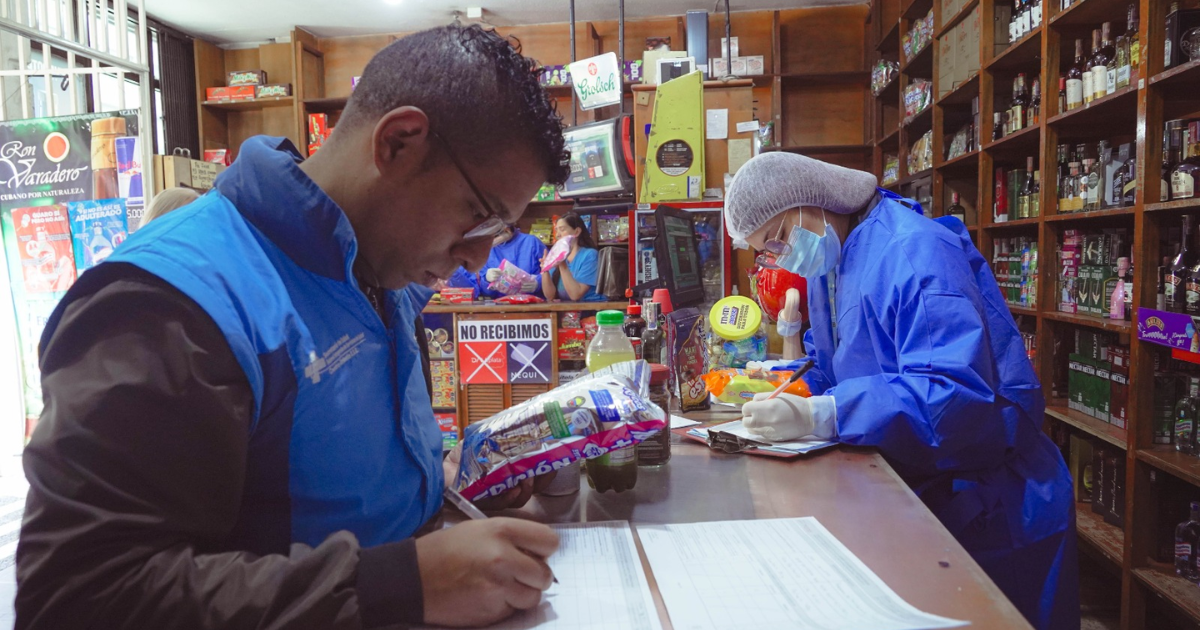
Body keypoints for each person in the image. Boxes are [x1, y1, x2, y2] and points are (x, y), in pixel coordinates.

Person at [17, 25, 570, 630]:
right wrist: (403, 583)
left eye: (498, 231)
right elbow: (78, 597)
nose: (478, 258)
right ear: (398, 143)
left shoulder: (380, 269)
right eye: (479, 216)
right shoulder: (165, 304)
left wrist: (442, 483)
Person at [724, 152, 1079, 630]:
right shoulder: (833, 263)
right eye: (766, 251)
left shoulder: (913, 250)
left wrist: (822, 414)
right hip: (926, 481)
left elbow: (951, 393)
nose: (781, 256)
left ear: (812, 200)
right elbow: (834, 363)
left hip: (994, 501)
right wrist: (791, 390)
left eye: (779, 238)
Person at [447, 223, 547, 298]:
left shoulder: (531, 242)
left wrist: (539, 283)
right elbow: (485, 293)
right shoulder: (487, 250)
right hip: (499, 308)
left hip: (532, 305)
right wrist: (487, 280)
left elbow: (552, 271)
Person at [541, 212, 604, 302]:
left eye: (562, 229)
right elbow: (550, 296)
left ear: (577, 232)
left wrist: (562, 264)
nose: (558, 235)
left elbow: (575, 295)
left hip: (590, 307)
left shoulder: (590, 255)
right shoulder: (557, 255)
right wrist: (545, 270)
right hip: (567, 309)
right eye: (556, 230)